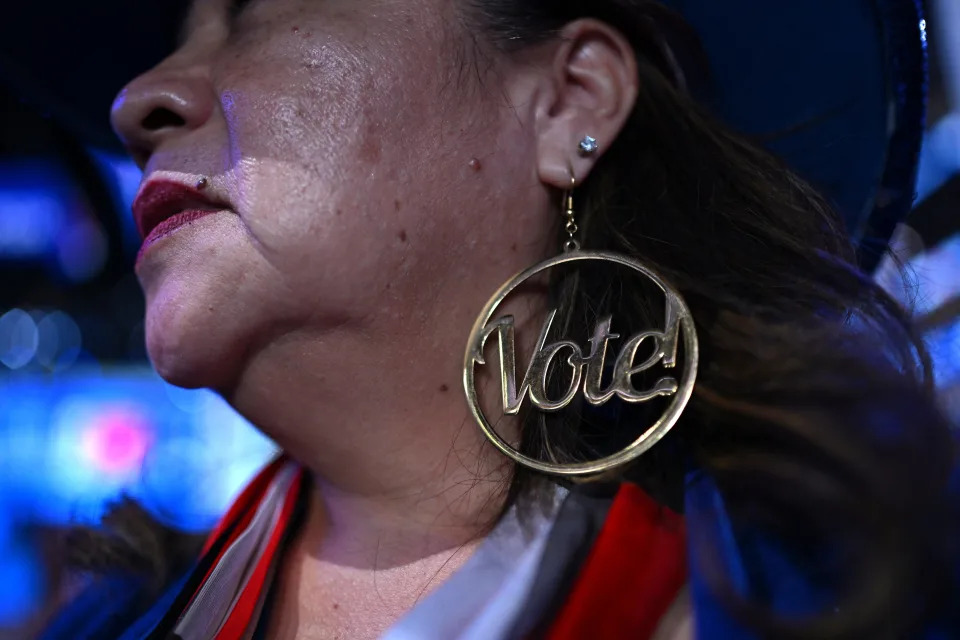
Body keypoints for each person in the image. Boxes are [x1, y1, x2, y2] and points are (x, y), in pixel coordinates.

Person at [24, 0, 958, 638]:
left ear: (569, 102)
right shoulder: (107, 619)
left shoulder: (856, 571)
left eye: (269, 5)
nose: (135, 101)